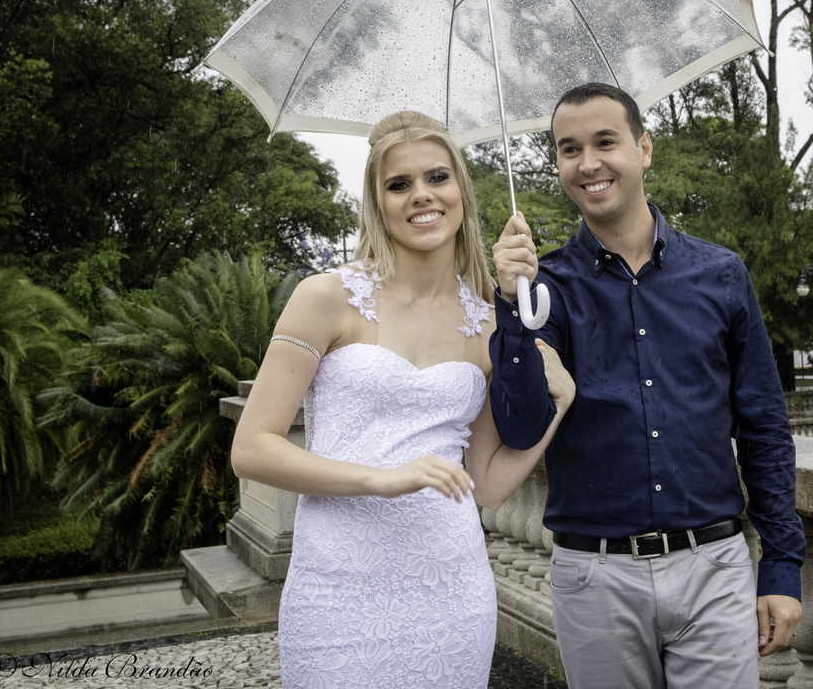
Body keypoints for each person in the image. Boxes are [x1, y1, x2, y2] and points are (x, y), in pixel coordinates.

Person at [231, 110, 574, 689]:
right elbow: (252, 449)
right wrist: (382, 479)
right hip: (336, 590)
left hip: (451, 590)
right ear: (378, 201)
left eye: (437, 178)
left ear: (461, 190)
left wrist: (559, 400)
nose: (422, 195)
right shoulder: (325, 298)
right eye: (399, 184)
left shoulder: (491, 321)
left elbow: (487, 485)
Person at [489, 83, 804, 689]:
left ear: (644, 149)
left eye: (605, 142)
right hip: (595, 577)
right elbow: (522, 425)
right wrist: (510, 305)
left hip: (714, 566)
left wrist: (783, 565)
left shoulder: (721, 274)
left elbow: (764, 425)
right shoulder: (542, 289)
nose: (588, 163)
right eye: (568, 149)